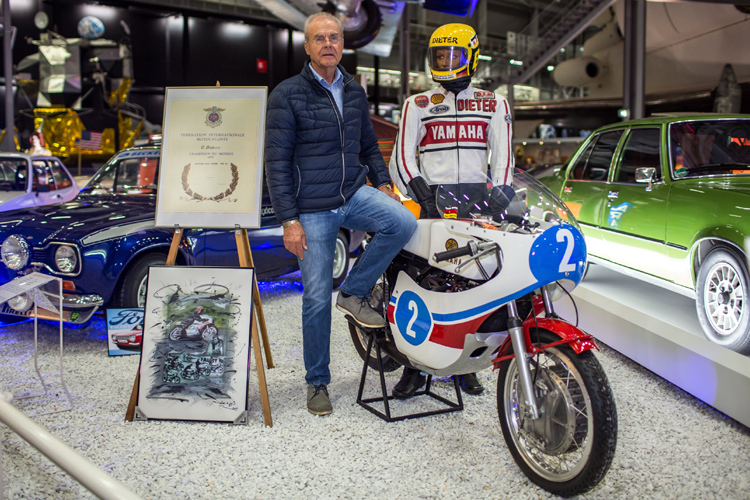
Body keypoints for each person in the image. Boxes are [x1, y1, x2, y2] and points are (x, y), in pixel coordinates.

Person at [265, 12, 417, 416]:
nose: (328, 43)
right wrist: (289, 220)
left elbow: (369, 144)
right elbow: (276, 163)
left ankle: (353, 292)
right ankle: (318, 382)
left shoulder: (353, 90)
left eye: (334, 36)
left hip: (352, 194)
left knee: (401, 221)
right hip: (311, 208)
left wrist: (384, 184)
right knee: (315, 298)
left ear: (342, 44)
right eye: (320, 38)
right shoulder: (287, 94)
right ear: (307, 46)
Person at [389, 23, 514, 399]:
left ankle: (465, 367)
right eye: (440, 55)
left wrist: (502, 193)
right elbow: (402, 156)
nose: (446, 61)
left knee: (474, 285)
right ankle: (413, 367)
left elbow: (504, 155)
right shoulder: (417, 104)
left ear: (472, 57)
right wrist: (421, 193)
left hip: (477, 205)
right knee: (418, 282)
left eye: (454, 55)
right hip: (429, 202)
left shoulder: (494, 103)